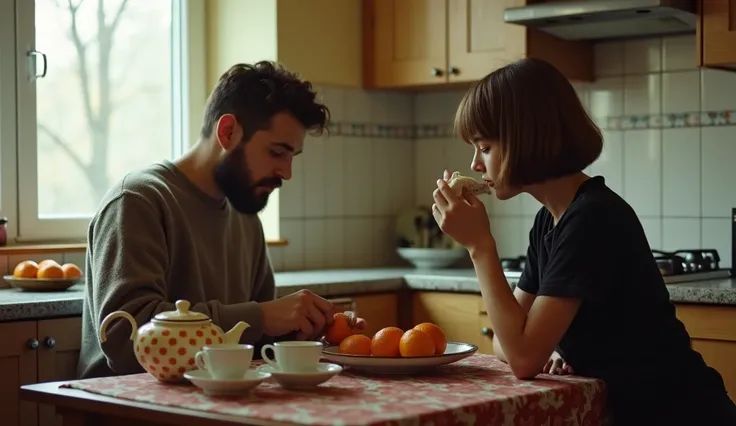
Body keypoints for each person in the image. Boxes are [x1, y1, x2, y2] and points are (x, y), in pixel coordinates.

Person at [431, 58, 736, 425]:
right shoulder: (549, 222)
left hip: (681, 412)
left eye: (484, 147)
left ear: (524, 140)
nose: (477, 165)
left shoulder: (592, 218)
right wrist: (552, 345)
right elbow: (506, 346)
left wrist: (480, 246)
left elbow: (522, 359)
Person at [78, 61, 363, 379]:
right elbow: (122, 339)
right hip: (126, 406)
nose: (287, 172)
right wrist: (261, 317)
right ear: (228, 132)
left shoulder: (244, 212)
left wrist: (303, 331)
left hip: (213, 404)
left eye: (291, 156)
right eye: (276, 152)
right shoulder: (137, 200)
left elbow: (253, 336)